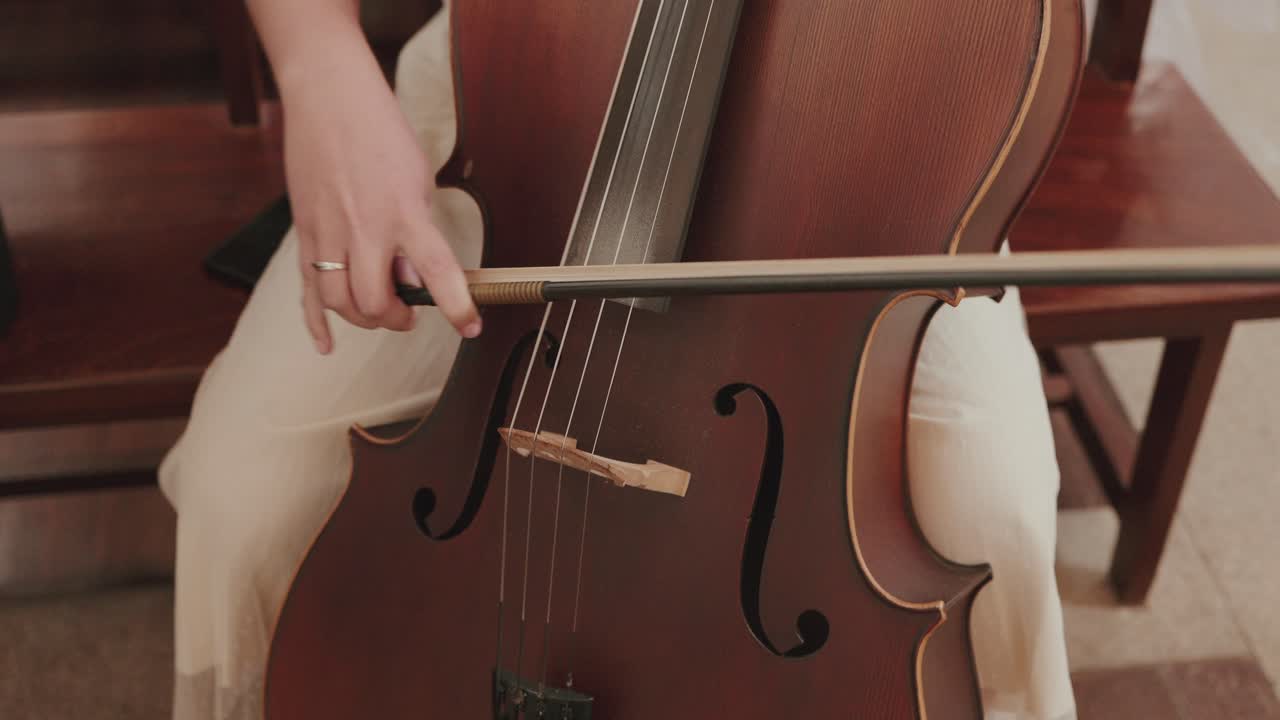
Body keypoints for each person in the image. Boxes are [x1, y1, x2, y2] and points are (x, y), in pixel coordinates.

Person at [158, 1, 1077, 718]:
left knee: (991, 519)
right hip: (525, 63)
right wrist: (321, 70)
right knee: (244, 496)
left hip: (879, 99)